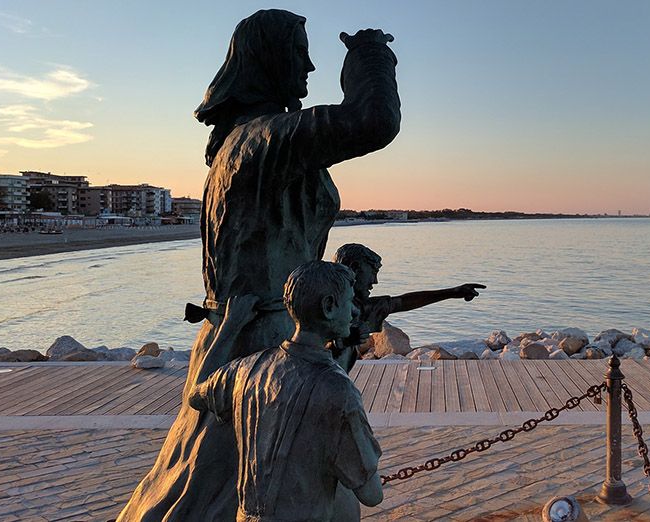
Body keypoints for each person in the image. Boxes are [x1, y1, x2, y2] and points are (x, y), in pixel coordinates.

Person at [118, 10, 400, 520]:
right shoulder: (262, 141)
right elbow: (373, 120)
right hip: (261, 341)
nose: (311, 66)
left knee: (214, 482)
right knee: (236, 487)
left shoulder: (248, 143)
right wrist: (370, 55)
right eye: (298, 52)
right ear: (266, 60)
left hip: (259, 331)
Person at [188, 261, 381, 522]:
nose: (355, 311)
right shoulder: (337, 390)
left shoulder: (247, 369)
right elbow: (372, 494)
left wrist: (229, 326)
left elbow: (196, 392)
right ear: (328, 307)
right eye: (349, 302)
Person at [330, 243, 485, 371]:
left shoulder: (358, 306)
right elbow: (311, 345)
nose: (375, 281)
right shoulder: (325, 304)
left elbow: (403, 302)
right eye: (373, 272)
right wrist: (340, 342)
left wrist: (453, 292)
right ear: (354, 268)